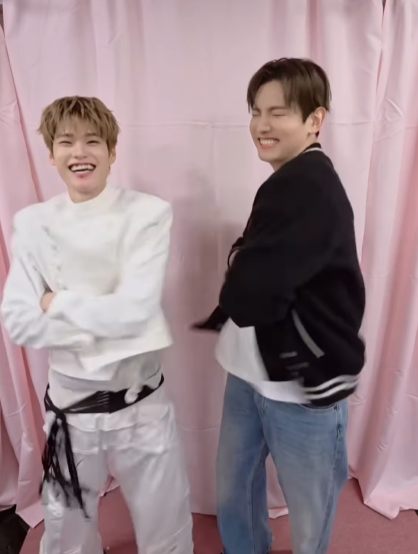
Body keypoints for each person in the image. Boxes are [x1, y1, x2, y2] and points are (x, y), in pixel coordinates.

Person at [1, 96, 194, 554]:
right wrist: (111, 317)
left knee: (166, 525)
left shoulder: (148, 214)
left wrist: (55, 302)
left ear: (111, 151)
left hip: (142, 405)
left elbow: (136, 310)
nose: (79, 152)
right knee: (65, 529)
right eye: (66, 142)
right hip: (70, 410)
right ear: (51, 154)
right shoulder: (33, 224)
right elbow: (18, 321)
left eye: (92, 141)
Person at [193, 58, 366, 554]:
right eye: (256, 111)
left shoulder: (305, 185)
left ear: (315, 120)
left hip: (301, 386)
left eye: (279, 112)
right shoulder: (292, 180)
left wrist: (237, 278)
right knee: (237, 494)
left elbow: (251, 294)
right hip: (250, 373)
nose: (261, 125)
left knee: (306, 513)